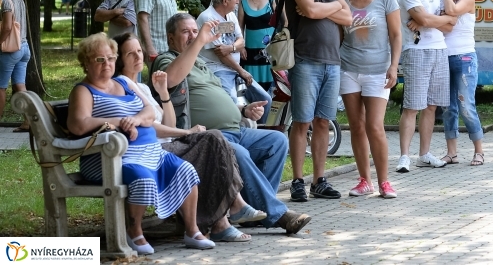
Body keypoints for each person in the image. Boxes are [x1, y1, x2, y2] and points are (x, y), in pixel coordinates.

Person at [152, 13, 311, 234]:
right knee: (239, 153)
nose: (192, 36)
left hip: (236, 130)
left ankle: (256, 211)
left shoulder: (200, 62)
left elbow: (221, 99)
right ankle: (278, 215)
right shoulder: (166, 59)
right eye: (185, 32)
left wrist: (244, 110)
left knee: (276, 141)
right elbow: (169, 80)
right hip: (206, 137)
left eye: (195, 31)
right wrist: (199, 42)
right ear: (170, 38)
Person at [68, 33, 214, 254]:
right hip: (109, 158)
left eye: (109, 58)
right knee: (143, 179)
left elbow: (148, 110)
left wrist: (135, 120)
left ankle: (192, 230)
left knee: (186, 170)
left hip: (150, 152)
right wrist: (120, 123)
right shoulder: (84, 90)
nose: (106, 64)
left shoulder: (122, 83)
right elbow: (79, 124)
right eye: (99, 59)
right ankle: (134, 231)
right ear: (86, 63)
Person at [113, 33, 265, 242]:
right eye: (130, 53)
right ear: (119, 59)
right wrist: (187, 133)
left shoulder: (143, 87)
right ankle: (230, 210)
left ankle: (226, 217)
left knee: (215, 141)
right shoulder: (122, 85)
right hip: (153, 152)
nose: (138, 56)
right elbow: (153, 128)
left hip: (167, 146)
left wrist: (163, 93)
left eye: (139, 51)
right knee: (213, 140)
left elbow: (169, 124)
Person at [284, 0, 353, 201]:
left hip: (332, 62)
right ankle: (298, 181)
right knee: (302, 121)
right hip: (305, 60)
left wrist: (329, 6)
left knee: (323, 121)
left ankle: (319, 180)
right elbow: (309, 10)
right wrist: (332, 7)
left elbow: (347, 18)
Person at [339, 0, 401, 198]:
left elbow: (396, 36)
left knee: (375, 126)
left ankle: (385, 181)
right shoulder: (342, 0)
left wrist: (394, 66)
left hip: (378, 70)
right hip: (348, 69)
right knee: (356, 126)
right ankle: (365, 180)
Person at [396, 0, 456, 172]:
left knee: (431, 106)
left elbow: (452, 24)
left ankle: (425, 154)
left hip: (440, 49)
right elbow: (422, 17)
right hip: (417, 50)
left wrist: (428, 21)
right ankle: (404, 156)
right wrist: (427, 20)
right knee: (413, 105)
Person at [435, 0, 485, 166]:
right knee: (448, 108)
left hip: (465, 58)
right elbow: (443, 24)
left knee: (466, 105)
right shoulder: (438, 1)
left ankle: (479, 151)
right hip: (444, 57)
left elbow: (453, 12)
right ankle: (452, 152)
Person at [196, 0, 269, 112]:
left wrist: (231, 48)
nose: (237, 1)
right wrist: (241, 71)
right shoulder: (208, 18)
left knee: (265, 99)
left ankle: (260, 130)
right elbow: (221, 54)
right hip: (218, 70)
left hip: (235, 69)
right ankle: (237, 130)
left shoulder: (230, 15)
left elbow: (241, 41)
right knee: (232, 104)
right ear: (225, 1)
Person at [0, 0, 30, 133]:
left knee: (1, 86)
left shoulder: (7, 3)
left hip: (10, 50)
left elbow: (7, 27)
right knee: (20, 85)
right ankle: (28, 121)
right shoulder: (20, 0)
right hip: (24, 48)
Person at [237, 0, 276, 89]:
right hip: (250, 51)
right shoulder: (243, 3)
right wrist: (241, 46)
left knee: (272, 85)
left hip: (270, 50)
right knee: (252, 85)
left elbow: (281, 23)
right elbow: (239, 27)